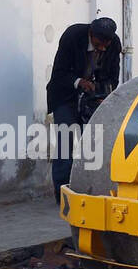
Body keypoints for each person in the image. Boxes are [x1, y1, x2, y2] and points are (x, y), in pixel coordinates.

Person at [46, 16, 121, 201]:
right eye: (99, 43)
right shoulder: (73, 36)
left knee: (95, 142)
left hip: (93, 97)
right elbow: (59, 73)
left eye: (106, 43)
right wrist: (80, 82)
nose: (102, 48)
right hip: (66, 94)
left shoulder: (113, 44)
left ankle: (92, 189)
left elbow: (113, 76)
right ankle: (62, 195)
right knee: (66, 141)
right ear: (91, 34)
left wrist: (106, 96)